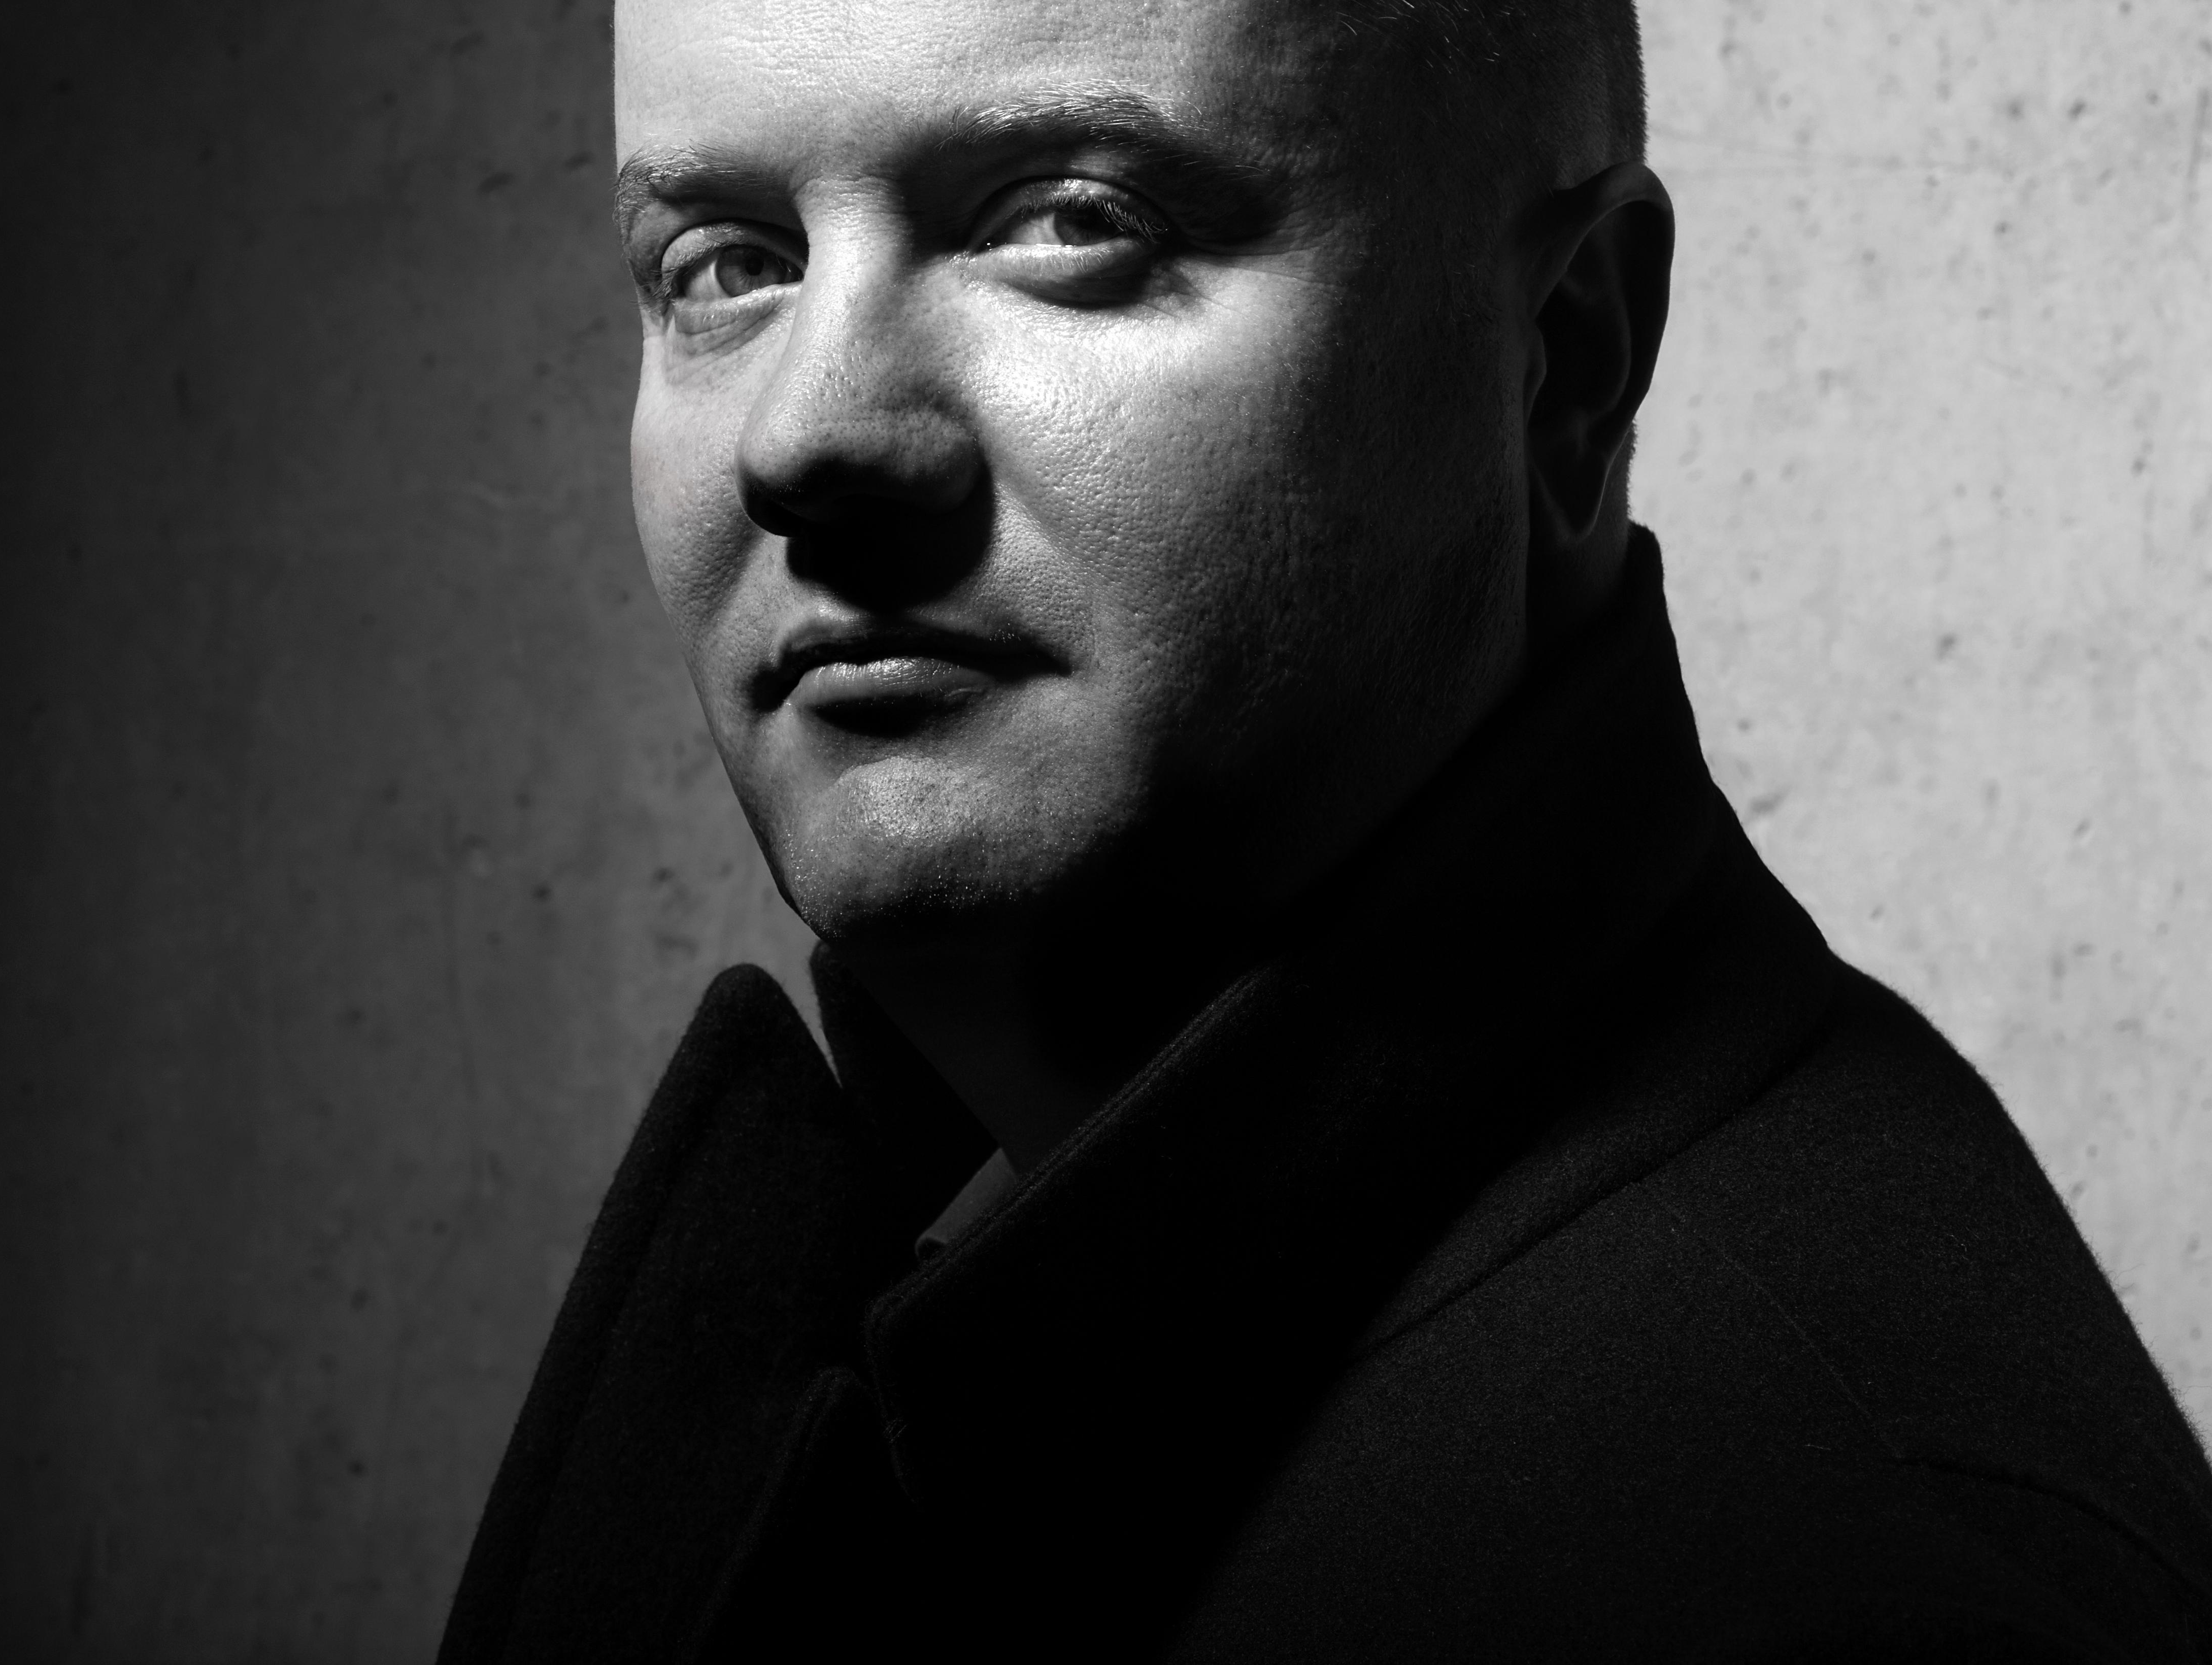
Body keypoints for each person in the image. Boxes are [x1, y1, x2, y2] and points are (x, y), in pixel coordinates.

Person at [437, 0, 2212, 1657]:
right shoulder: (1004, 1249)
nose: (806, 437)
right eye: (729, 264)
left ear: (1568, 362)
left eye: (1070, 221)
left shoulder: (1830, 1559)